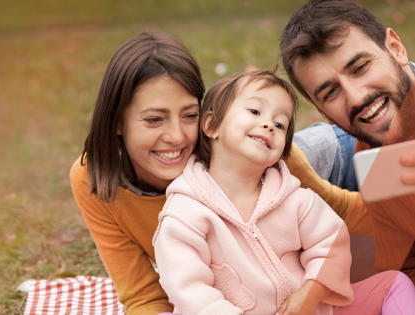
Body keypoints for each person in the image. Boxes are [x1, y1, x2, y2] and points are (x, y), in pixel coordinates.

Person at [71, 31, 366, 315]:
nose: (177, 136)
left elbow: (340, 209)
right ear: (117, 122)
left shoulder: (259, 146)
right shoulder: (92, 179)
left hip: (336, 154)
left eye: (189, 115)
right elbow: (144, 297)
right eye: (153, 119)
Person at [153, 69, 415, 315]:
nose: (269, 125)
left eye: (280, 125)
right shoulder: (184, 216)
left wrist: (312, 292)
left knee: (394, 284)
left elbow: (331, 244)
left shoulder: (296, 200)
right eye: (255, 111)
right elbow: (190, 290)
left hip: (312, 309)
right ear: (211, 125)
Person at [280, 0, 415, 282]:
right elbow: (406, 270)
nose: (356, 97)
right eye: (330, 93)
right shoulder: (373, 158)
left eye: (360, 67)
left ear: (396, 48)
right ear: (320, 110)